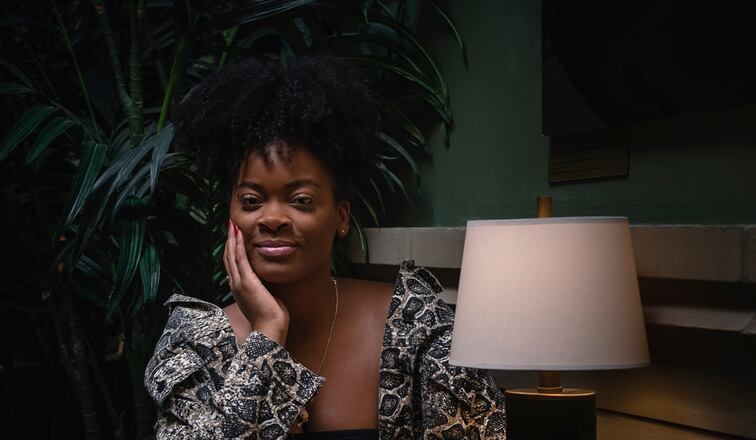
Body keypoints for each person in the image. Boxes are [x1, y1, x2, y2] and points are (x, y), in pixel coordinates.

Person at [144, 55, 506, 439]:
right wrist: (266, 336)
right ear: (231, 216)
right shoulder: (195, 342)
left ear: (341, 216)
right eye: (251, 201)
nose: (271, 218)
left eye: (300, 200)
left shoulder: (413, 326)